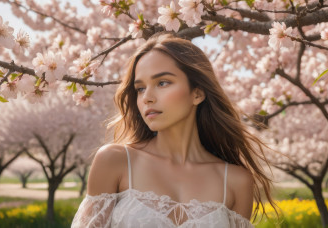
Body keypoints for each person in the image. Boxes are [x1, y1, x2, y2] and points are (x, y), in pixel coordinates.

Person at [71, 33, 278, 228]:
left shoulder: (236, 181)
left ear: (197, 93)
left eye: (162, 83)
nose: (147, 97)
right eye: (140, 88)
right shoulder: (115, 161)